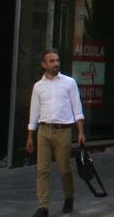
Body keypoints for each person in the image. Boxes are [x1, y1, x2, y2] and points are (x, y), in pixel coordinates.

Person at [27, 49, 86, 216]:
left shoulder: (69, 82)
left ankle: (69, 197)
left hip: (63, 131)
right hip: (44, 131)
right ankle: (43, 206)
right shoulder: (38, 86)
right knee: (42, 169)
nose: (56, 64)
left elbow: (77, 108)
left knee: (64, 168)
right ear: (44, 65)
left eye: (57, 60)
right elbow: (34, 111)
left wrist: (80, 132)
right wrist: (30, 135)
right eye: (52, 61)